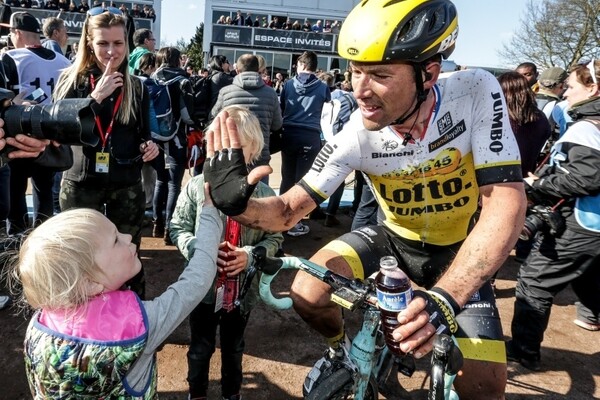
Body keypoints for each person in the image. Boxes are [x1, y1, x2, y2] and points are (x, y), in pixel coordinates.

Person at [203, 0, 526, 398]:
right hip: (393, 240)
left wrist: (446, 297)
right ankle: (340, 352)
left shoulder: (474, 91)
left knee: (484, 388)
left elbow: (505, 202)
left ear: (430, 72)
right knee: (306, 292)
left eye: (379, 74)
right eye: (355, 71)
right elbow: (288, 211)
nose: (360, 89)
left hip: (456, 249)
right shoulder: (356, 132)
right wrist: (238, 206)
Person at [8, 195, 221, 398]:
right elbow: (197, 279)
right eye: (116, 240)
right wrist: (210, 211)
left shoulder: (40, 325)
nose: (128, 237)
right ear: (90, 283)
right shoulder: (143, 325)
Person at [171, 106, 284, 400]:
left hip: (242, 292)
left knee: (234, 348)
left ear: (253, 150)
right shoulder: (196, 187)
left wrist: (251, 254)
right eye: (216, 144)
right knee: (200, 347)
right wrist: (198, 248)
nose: (224, 153)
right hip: (203, 290)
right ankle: (196, 393)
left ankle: (231, 394)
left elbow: (276, 236)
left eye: (236, 147)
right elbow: (178, 227)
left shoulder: (264, 195)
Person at [54, 9, 159, 298]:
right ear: (89, 43)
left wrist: (147, 147)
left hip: (125, 182)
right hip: (80, 182)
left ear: (127, 43)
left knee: (129, 252)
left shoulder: (136, 86)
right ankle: (79, 319)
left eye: (118, 43)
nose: (111, 52)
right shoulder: (70, 80)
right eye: (103, 44)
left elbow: (142, 133)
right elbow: (59, 130)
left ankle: (133, 315)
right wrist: (94, 99)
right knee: (79, 253)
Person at [507, 59, 600, 372]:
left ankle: (523, 351)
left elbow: (587, 178)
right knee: (588, 276)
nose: (565, 93)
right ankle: (589, 315)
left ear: (593, 88)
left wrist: (540, 184)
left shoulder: (588, 128)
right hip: (591, 226)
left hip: (582, 223)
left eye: (571, 86)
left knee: (534, 281)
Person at [0, 11, 72, 235]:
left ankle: (17, 246)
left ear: (17, 32)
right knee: (44, 193)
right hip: (53, 134)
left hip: (21, 137)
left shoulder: (11, 57)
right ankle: (43, 243)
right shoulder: (64, 60)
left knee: (17, 193)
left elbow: (7, 102)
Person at [278, 50, 330, 236]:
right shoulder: (323, 87)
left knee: (287, 177)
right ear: (314, 67)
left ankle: (280, 217)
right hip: (310, 136)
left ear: (301, 64)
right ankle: (294, 222)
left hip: (289, 134)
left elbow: (281, 108)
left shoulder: (289, 84)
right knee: (303, 182)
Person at [150, 46, 196, 245]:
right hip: (176, 139)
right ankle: (170, 229)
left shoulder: (151, 78)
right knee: (173, 184)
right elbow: (187, 116)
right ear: (178, 60)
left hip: (154, 139)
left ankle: (156, 224)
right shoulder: (182, 80)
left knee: (160, 181)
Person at [210, 54, 282, 176]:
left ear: (237, 70)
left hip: (232, 155)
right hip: (260, 154)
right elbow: (277, 125)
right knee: (261, 193)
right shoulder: (271, 94)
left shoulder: (225, 92)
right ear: (258, 69)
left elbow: (213, 117)